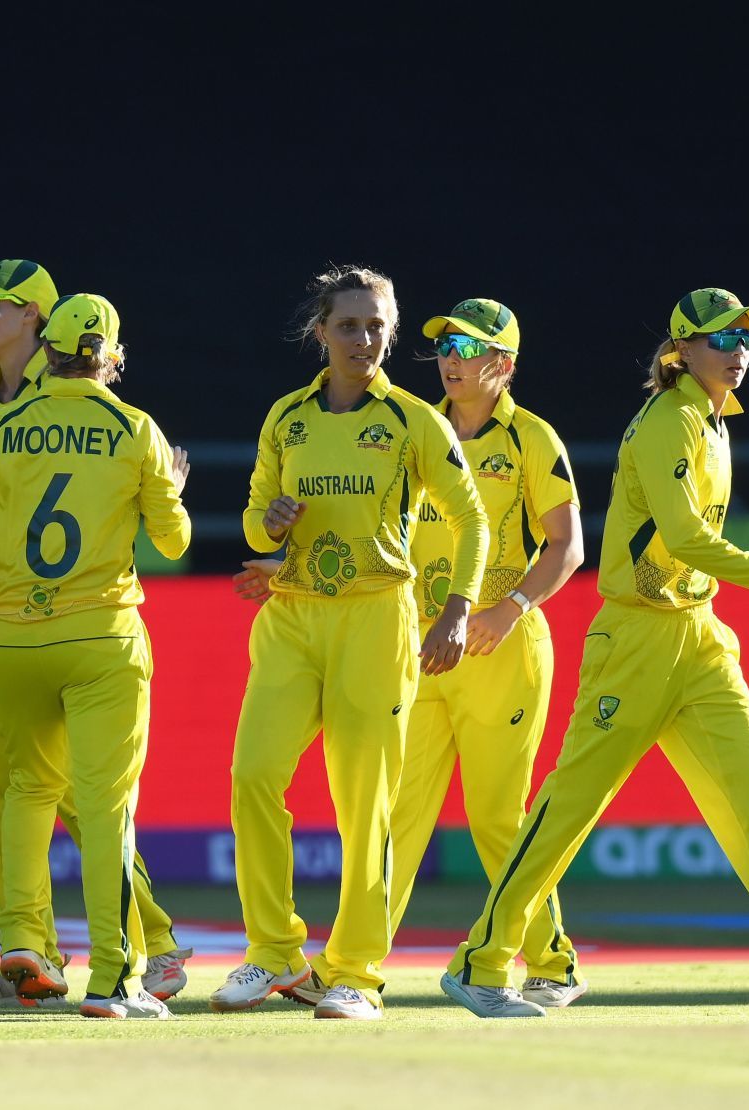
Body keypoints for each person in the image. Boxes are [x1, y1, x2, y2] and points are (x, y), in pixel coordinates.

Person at [441, 288, 749, 1019]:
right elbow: (683, 540)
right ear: (682, 352)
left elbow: (688, 554)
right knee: (570, 809)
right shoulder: (667, 423)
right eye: (722, 339)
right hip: (637, 640)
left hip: (701, 634)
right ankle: (483, 964)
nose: (739, 350)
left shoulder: (713, 422)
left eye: (746, 338)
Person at [233, 297, 590, 1007]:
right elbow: (376, 536)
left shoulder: (526, 439)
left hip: (494, 648)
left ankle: (550, 960)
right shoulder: (402, 431)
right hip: (417, 645)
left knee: (495, 817)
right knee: (397, 814)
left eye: (471, 347)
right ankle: (346, 970)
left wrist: (502, 609)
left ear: (505, 364)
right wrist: (288, 564)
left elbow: (569, 545)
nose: (453, 358)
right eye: (447, 345)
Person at [212, 266, 487, 1021]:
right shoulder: (287, 417)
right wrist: (268, 525)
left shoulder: (412, 421)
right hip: (292, 618)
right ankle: (273, 953)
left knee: (365, 804)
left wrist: (456, 610)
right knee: (253, 777)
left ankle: (357, 974)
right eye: (348, 325)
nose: (363, 338)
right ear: (321, 332)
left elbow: (472, 521)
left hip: (376, 616)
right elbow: (249, 518)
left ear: (390, 333)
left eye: (376, 325)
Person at [0, 261, 191, 1009]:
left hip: (24, 619)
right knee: (7, 785)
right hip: (24, 613)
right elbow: (167, 532)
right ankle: (31, 952)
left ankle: (147, 939)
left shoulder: (14, 414)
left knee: (53, 791)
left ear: (39, 320)